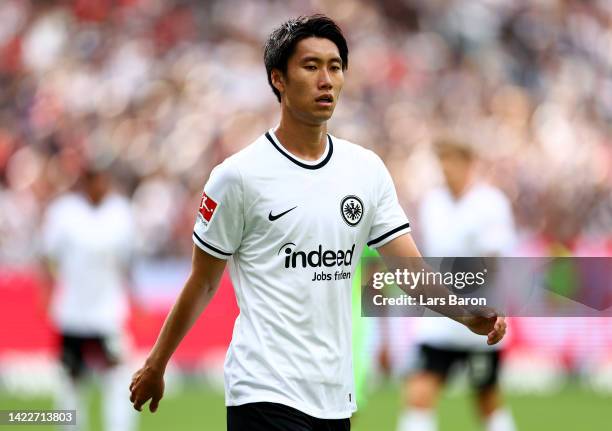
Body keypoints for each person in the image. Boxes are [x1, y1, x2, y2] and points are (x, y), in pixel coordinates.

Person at [129, 15, 506, 431]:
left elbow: (410, 271)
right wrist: (156, 363)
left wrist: (464, 313)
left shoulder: (365, 170)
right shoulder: (238, 176)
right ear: (279, 79)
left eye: (335, 66)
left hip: (333, 395)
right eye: (311, 66)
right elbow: (203, 281)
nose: (326, 79)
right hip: (263, 390)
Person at [396, 138, 517, 431]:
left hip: (478, 315)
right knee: (419, 392)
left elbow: (493, 261)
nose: (446, 168)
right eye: (442, 161)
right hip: (440, 320)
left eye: (452, 160)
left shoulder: (490, 202)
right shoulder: (432, 203)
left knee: (486, 398)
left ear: (468, 163)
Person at [41, 167, 137, 431]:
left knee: (118, 377)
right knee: (71, 379)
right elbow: (48, 255)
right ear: (85, 182)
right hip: (72, 312)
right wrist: (46, 291)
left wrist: (135, 298)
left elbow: (128, 262)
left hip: (108, 312)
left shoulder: (120, 213)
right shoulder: (64, 213)